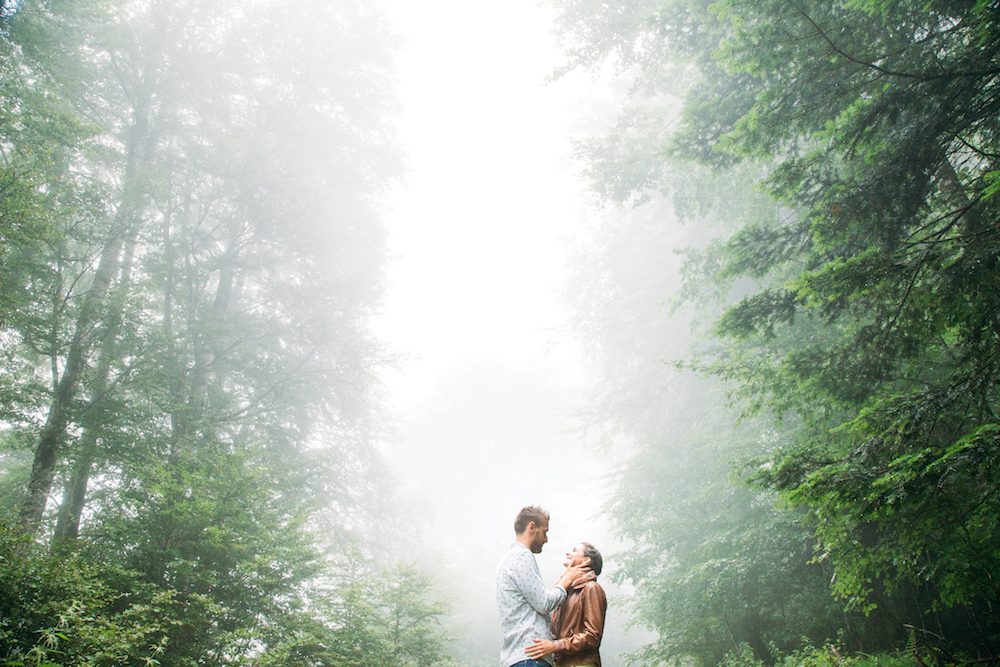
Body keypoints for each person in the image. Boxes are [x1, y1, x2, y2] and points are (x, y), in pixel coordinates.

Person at [496, 506, 591, 667]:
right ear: (532, 527)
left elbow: (537, 600)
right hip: (530, 658)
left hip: (517, 657)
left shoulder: (508, 560)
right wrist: (567, 580)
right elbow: (544, 603)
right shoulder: (522, 556)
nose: (546, 539)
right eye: (544, 532)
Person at [525, 542, 607, 667]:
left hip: (581, 663)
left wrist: (555, 646)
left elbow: (592, 636)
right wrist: (564, 578)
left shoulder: (591, 588)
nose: (568, 553)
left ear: (587, 560)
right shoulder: (567, 592)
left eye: (574, 550)